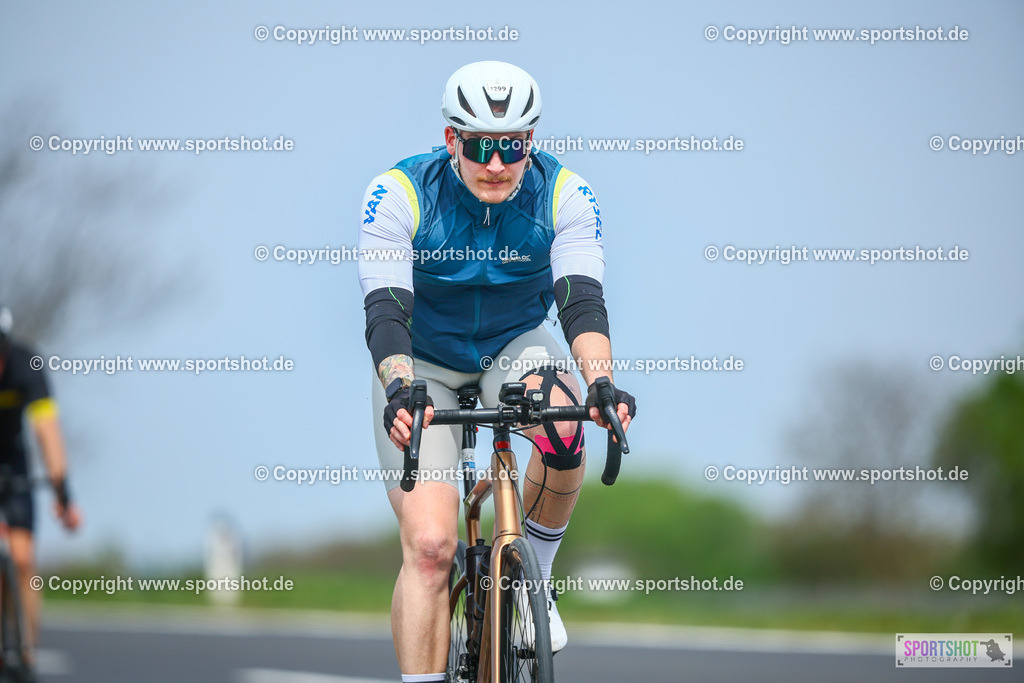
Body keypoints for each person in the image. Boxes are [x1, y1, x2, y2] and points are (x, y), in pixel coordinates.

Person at [357, 61, 636, 682]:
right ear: (452, 138)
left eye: (511, 146)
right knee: (431, 549)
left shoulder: (565, 194)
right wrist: (400, 387)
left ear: (529, 142)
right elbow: (386, 309)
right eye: (480, 145)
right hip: (423, 356)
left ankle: (537, 581)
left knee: (566, 427)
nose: (496, 163)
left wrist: (600, 384)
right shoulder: (399, 192)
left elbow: (581, 298)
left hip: (514, 344)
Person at [0, 304, 81, 673]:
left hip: (14, 461)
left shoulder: (26, 364)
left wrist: (63, 493)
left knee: (21, 558)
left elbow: (47, 430)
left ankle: (27, 650)